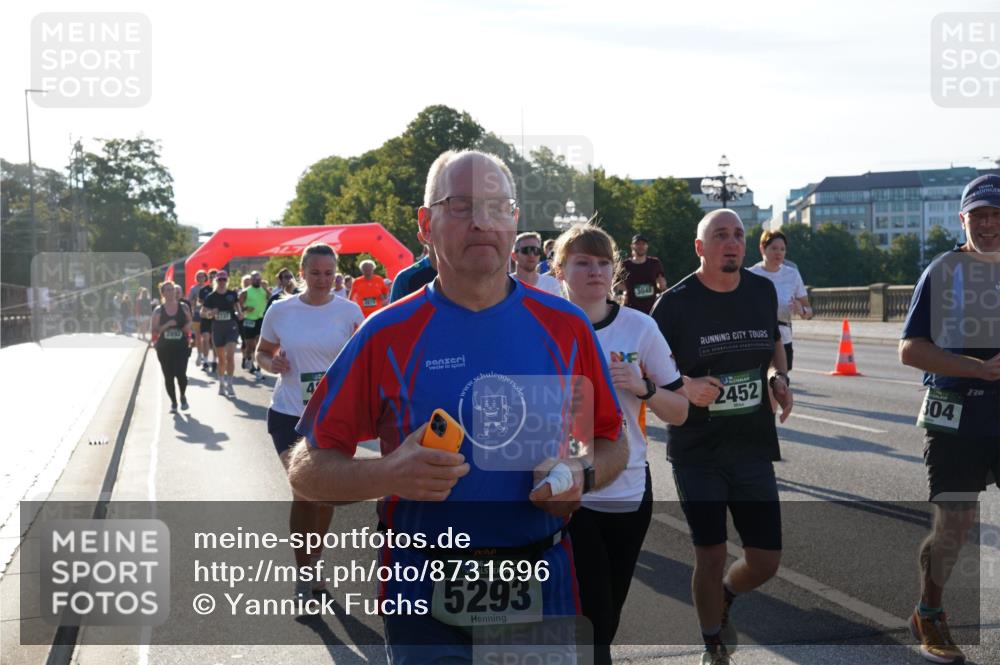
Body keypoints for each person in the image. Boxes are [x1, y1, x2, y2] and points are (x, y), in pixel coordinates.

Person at [288, 149, 626, 663]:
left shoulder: (566, 326)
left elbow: (612, 440)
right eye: (460, 205)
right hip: (423, 590)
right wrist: (388, 473)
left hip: (541, 580)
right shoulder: (386, 334)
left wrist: (582, 473)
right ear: (426, 224)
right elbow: (306, 470)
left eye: (496, 206)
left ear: (515, 220)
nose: (481, 223)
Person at [650, 209, 793, 665]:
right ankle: (712, 643)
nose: (731, 243)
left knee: (766, 560)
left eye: (737, 236)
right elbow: (647, 373)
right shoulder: (673, 304)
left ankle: (728, 594)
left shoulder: (761, 290)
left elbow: (772, 345)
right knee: (709, 555)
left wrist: (777, 376)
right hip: (697, 449)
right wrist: (684, 387)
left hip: (752, 443)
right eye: (720, 236)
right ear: (700, 247)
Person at [553, 223, 689, 665]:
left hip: (628, 488)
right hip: (569, 489)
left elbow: (681, 410)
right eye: (582, 263)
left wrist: (645, 386)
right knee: (591, 612)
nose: (594, 271)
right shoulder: (544, 326)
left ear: (614, 272)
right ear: (560, 271)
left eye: (602, 263)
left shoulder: (640, 328)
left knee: (607, 615)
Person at [899, 173, 1000, 664]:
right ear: (962, 219)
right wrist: (977, 368)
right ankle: (929, 610)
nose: (988, 223)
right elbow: (910, 349)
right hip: (955, 413)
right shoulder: (944, 270)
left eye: (996, 214)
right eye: (978, 214)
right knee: (954, 525)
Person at [256, 243, 364, 603]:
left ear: (336, 275)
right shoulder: (280, 310)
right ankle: (304, 575)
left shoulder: (349, 311)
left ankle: (314, 561)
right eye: (315, 273)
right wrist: (271, 363)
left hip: (333, 416)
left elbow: (363, 360)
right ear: (301, 273)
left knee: (326, 494)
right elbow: (261, 351)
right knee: (304, 492)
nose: (322, 280)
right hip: (289, 414)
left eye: (329, 273)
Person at [748, 230, 813, 371]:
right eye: (774, 248)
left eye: (782, 249)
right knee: (762, 386)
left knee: (780, 385)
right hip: (758, 340)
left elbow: (809, 312)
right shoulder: (750, 275)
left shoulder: (792, 274)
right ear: (762, 248)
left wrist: (801, 309)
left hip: (784, 339)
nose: (779, 253)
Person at [150, 281, 193, 413]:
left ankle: (183, 396)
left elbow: (190, 321)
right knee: (168, 376)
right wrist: (167, 325)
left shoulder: (184, 307)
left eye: (172, 289)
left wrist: (187, 327)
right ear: (162, 293)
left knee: (181, 374)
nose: (170, 292)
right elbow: (154, 330)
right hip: (164, 348)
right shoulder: (158, 310)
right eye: (167, 290)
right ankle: (174, 402)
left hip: (181, 346)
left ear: (175, 292)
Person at [201, 270, 243, 397]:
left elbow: (237, 307)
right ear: (216, 281)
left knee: (230, 356)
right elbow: (203, 313)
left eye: (224, 280)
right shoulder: (211, 297)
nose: (222, 282)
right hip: (218, 328)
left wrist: (240, 314)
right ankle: (221, 383)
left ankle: (230, 384)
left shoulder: (232, 294)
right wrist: (211, 313)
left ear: (227, 281)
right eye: (219, 280)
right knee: (221, 359)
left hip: (231, 327)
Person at [615, 233, 666, 314]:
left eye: (643, 244)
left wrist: (662, 285)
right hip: (631, 309)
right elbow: (616, 285)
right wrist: (624, 291)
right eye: (638, 244)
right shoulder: (625, 265)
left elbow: (661, 283)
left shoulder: (655, 263)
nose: (641, 246)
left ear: (647, 246)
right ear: (632, 246)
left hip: (652, 309)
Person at [510, 231, 563, 297]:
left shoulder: (551, 284)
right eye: (526, 250)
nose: (532, 255)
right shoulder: (504, 285)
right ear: (514, 256)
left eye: (536, 250)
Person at [239, 271, 268, 379]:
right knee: (250, 345)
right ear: (251, 280)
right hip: (249, 320)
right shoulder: (246, 292)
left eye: (258, 279)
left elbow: (271, 299)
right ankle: (248, 359)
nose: (257, 281)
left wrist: (266, 289)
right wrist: (246, 308)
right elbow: (238, 306)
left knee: (258, 343)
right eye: (255, 279)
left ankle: (257, 368)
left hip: (261, 319)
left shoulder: (264, 290)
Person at [198, 269, 219, 372]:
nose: (213, 279)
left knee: (215, 341)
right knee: (205, 339)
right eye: (211, 277)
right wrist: (208, 312)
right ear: (208, 278)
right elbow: (202, 305)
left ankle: (215, 361)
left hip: (217, 319)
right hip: (206, 317)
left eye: (215, 277)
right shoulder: (203, 290)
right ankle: (205, 361)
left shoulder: (221, 290)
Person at [187, 270, 208, 367]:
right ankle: (199, 354)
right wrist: (194, 301)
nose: (200, 278)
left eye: (202, 276)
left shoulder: (209, 288)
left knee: (206, 337)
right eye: (198, 276)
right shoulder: (193, 289)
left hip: (207, 315)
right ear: (196, 278)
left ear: (205, 278)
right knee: (198, 337)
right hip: (197, 314)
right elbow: (189, 301)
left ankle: (205, 356)